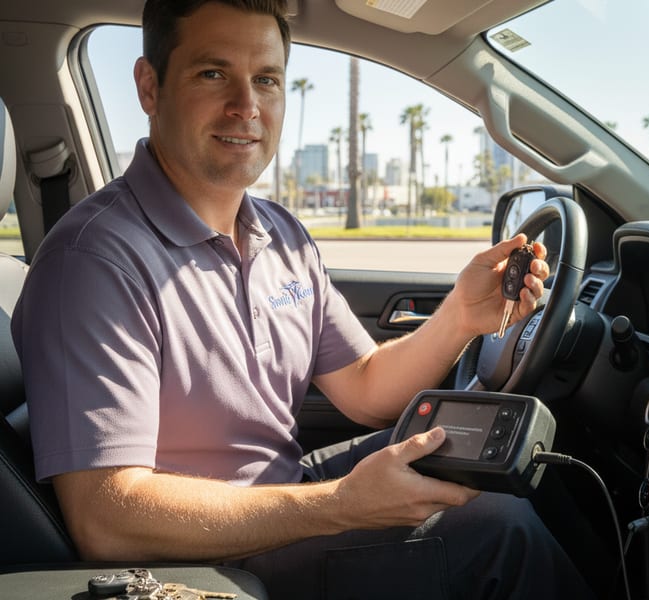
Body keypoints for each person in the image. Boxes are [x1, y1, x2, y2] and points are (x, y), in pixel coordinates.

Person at [11, 1, 594, 598]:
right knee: (501, 528)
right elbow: (108, 519)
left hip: (283, 492)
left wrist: (461, 318)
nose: (247, 106)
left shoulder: (281, 234)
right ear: (149, 86)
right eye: (213, 74)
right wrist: (340, 505)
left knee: (518, 466)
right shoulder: (91, 262)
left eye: (265, 79)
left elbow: (366, 389)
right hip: (211, 557)